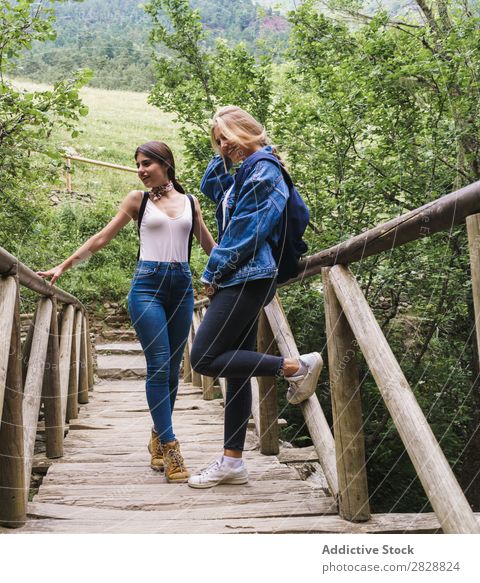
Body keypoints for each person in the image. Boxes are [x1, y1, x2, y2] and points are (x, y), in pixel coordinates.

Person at [37, 141, 215, 483]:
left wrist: (234, 270)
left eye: (147, 163)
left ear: (165, 163)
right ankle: (171, 445)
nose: (141, 170)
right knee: (160, 363)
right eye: (137, 164)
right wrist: (65, 264)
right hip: (146, 287)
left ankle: (158, 436)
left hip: (181, 287)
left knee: (174, 370)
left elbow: (208, 245)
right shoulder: (139, 200)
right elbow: (101, 238)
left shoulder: (190, 202)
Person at [187, 106, 323, 489]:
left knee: (205, 356)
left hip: (248, 276)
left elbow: (248, 231)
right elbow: (214, 188)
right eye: (218, 138)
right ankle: (232, 463)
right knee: (237, 369)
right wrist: (222, 153)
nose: (224, 144)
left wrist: (212, 273)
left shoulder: (265, 170)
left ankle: (296, 366)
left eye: (228, 134)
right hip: (241, 275)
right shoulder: (247, 170)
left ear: (249, 130)